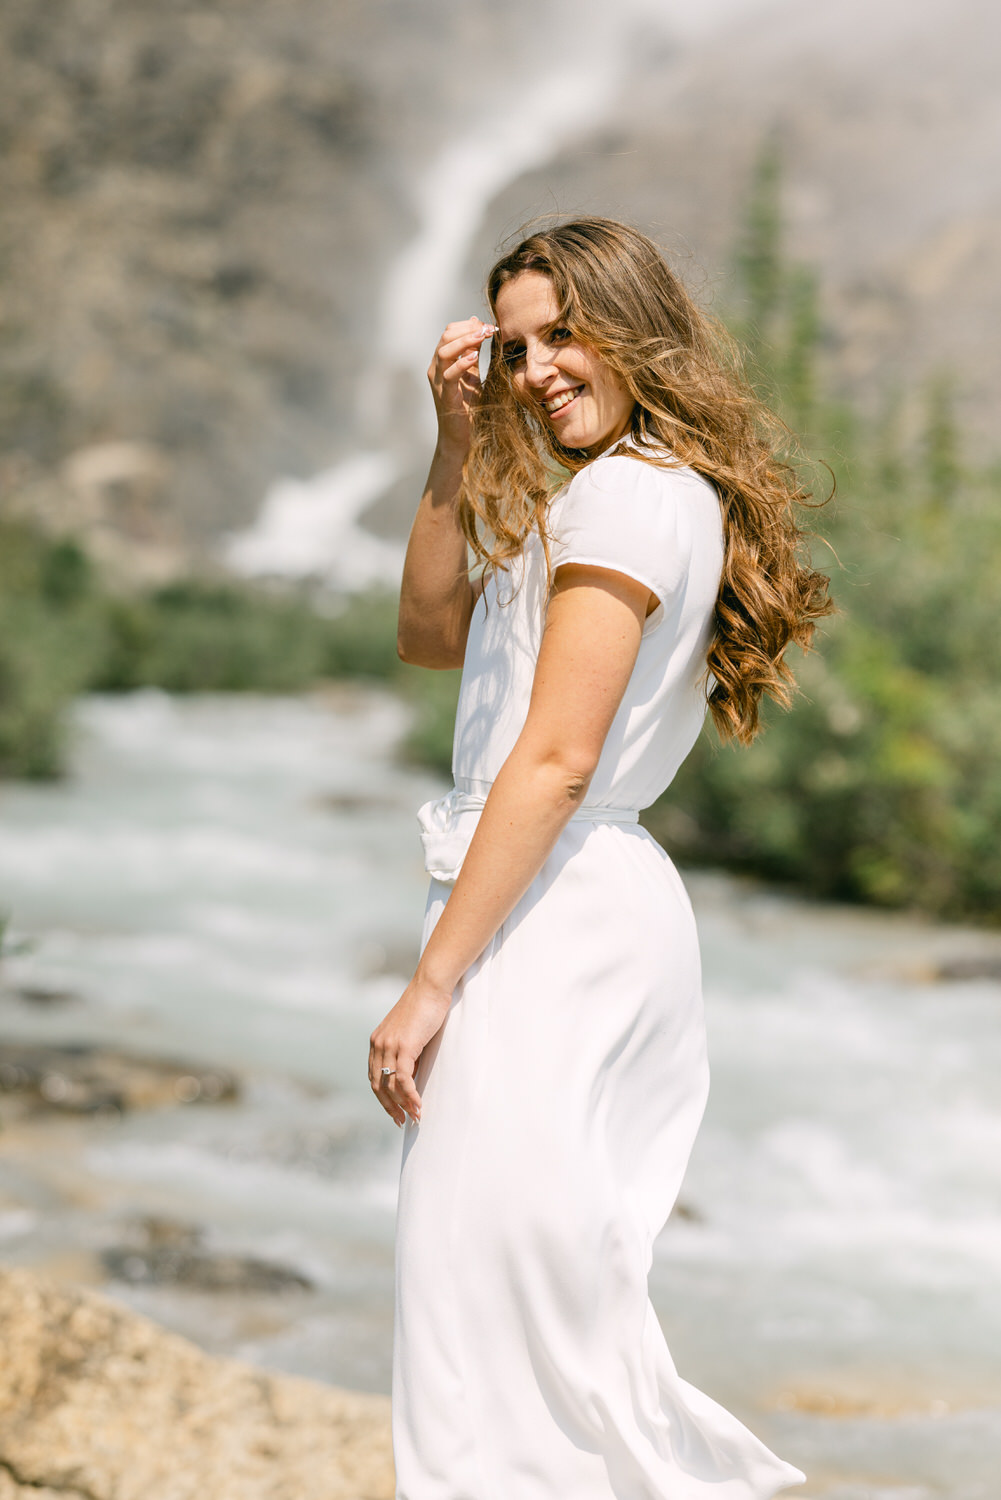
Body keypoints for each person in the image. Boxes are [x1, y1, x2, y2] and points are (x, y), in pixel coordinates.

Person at [368, 217, 830, 1499]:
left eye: (562, 333)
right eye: (514, 348)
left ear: (631, 325)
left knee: (489, 1325)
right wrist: (455, 449)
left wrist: (433, 981)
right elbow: (422, 635)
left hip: (551, 911)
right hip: (562, 898)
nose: (536, 370)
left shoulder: (628, 492)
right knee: (533, 1316)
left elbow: (556, 757)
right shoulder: (609, 489)